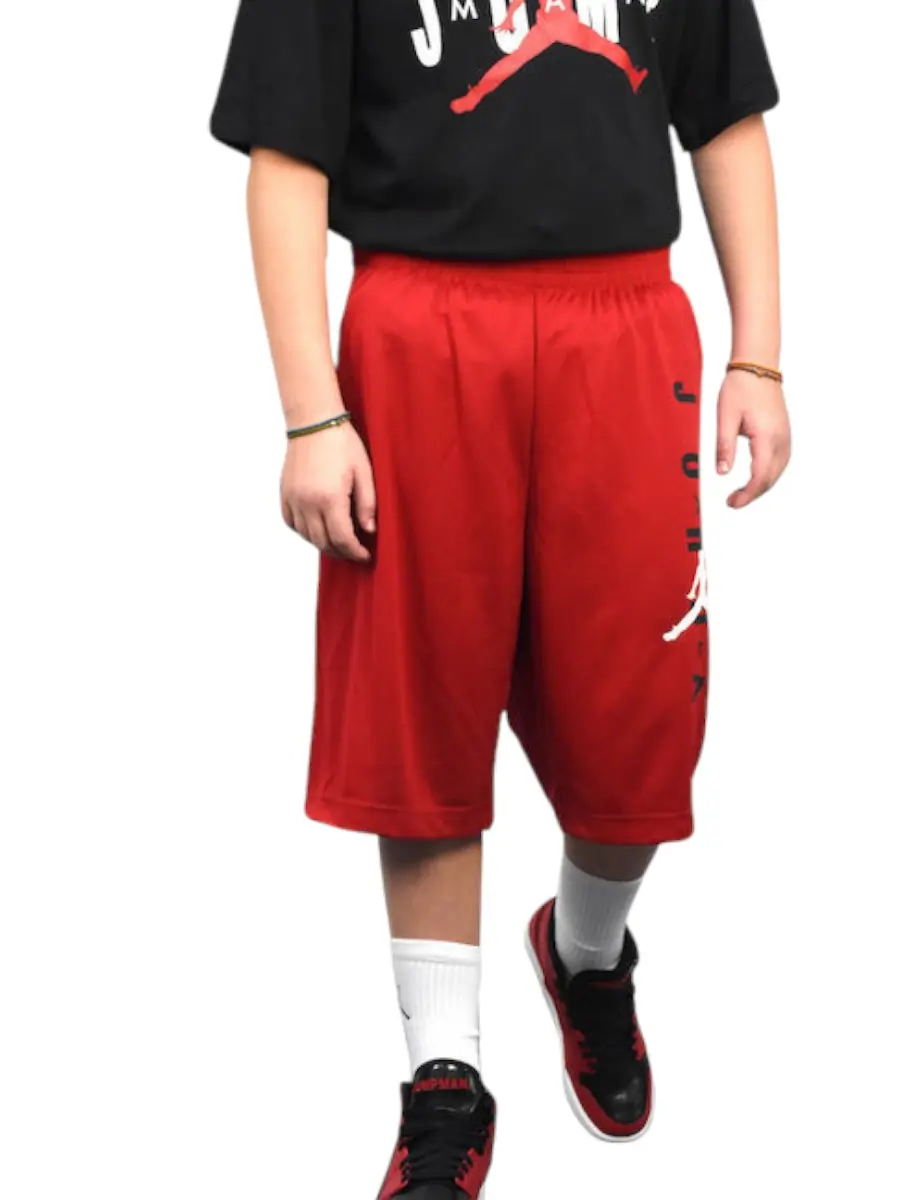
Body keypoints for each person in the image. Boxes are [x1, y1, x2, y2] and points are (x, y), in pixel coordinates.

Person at [210, 0, 790, 1193]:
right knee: (421, 697)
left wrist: (759, 354)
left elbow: (726, 116)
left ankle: (585, 953)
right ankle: (445, 1074)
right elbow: (285, 156)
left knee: (637, 704)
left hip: (623, 324)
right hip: (418, 324)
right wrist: (311, 413)